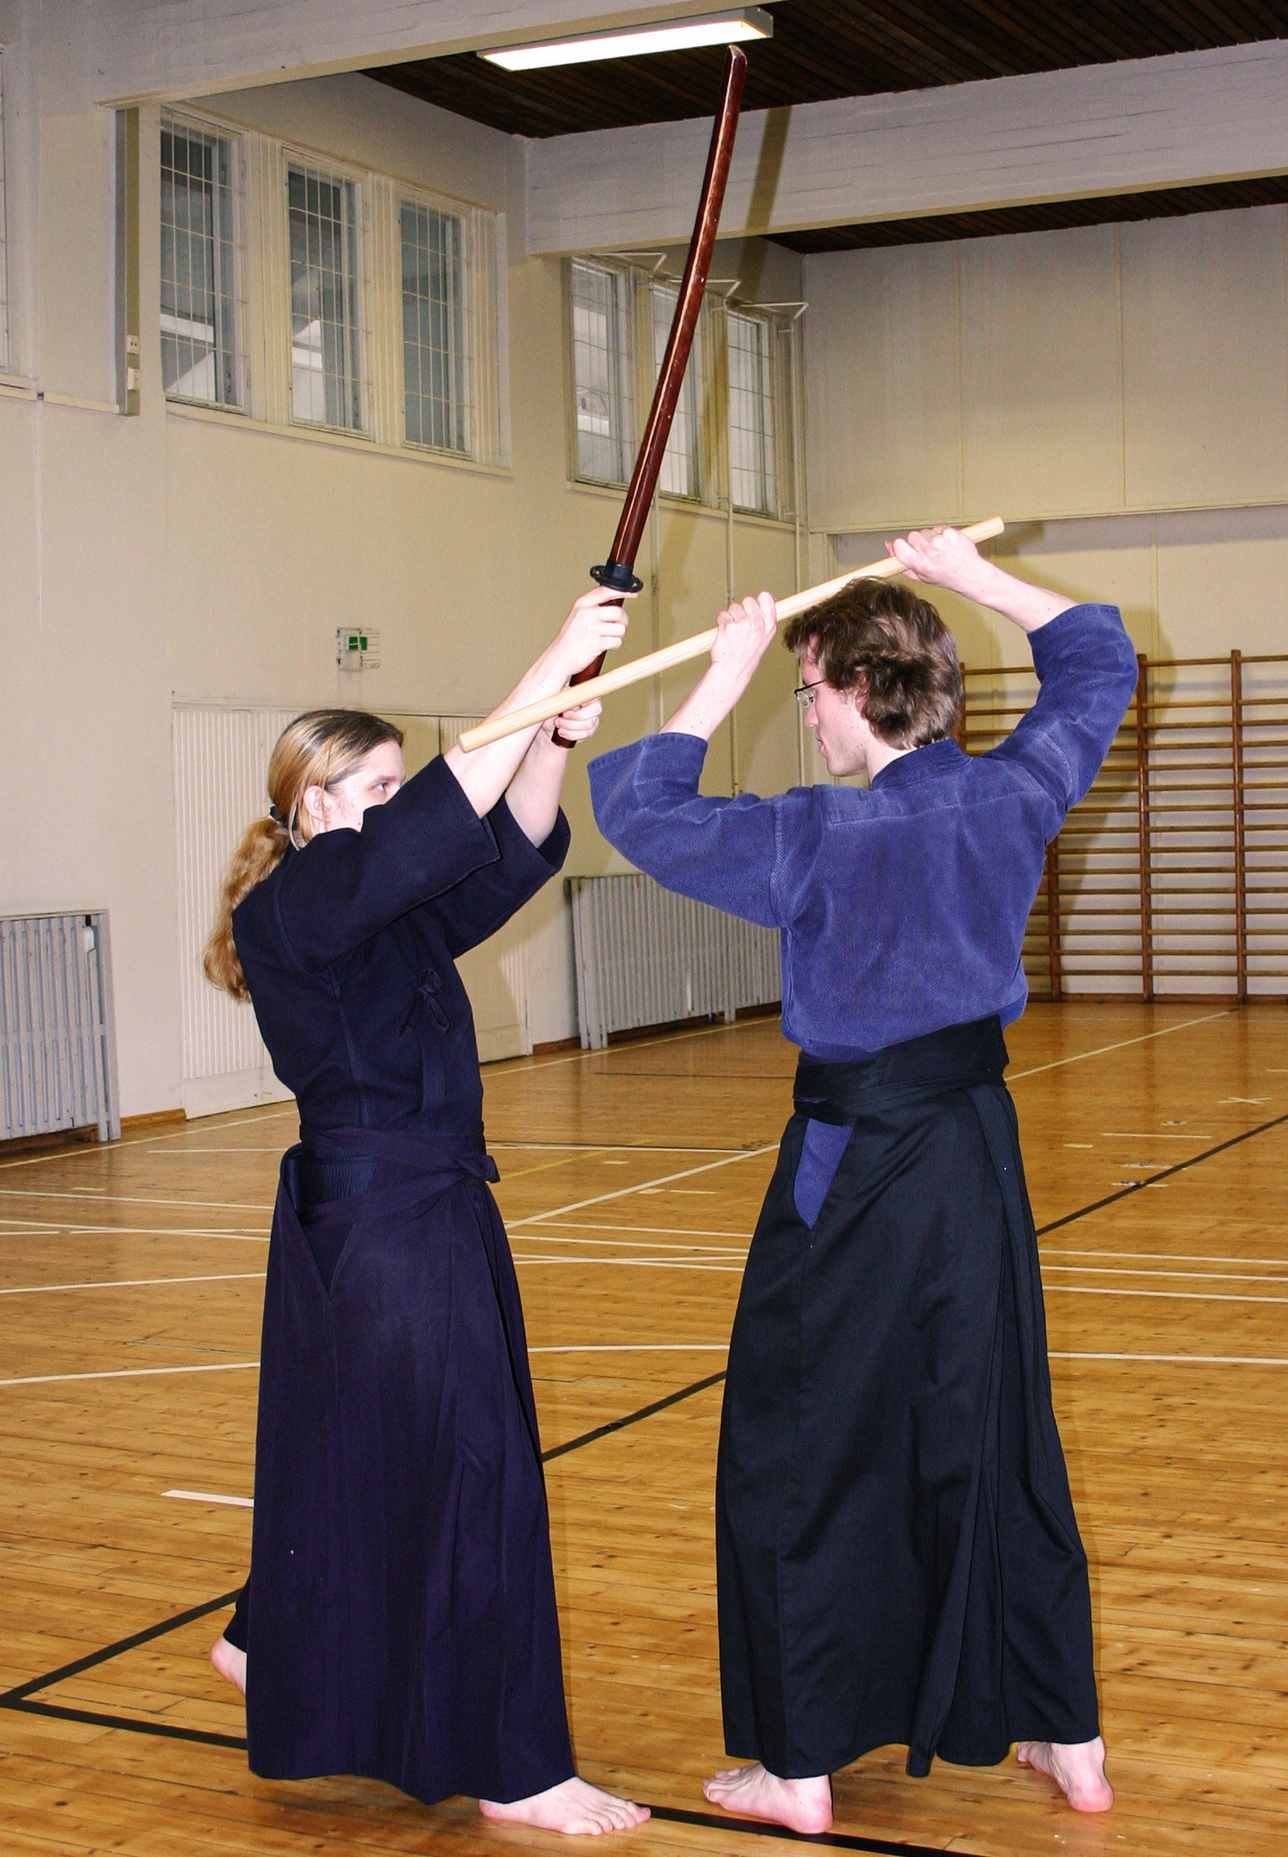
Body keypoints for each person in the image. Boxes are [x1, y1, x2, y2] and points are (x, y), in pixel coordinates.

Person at [588, 526, 1138, 1835]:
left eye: (806, 689)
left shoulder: (818, 837)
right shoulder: (1010, 796)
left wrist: (716, 676)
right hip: (976, 1160)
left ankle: (800, 1765)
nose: (805, 715)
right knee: (993, 1430)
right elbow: (1098, 659)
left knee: (794, 1447)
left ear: (850, 685)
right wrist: (974, 578)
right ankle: (1071, 1736)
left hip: (856, 1168)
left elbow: (640, 812)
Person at [202, 587, 648, 1838]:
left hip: (411, 1212)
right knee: (475, 1471)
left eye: (405, 781)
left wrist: (553, 744)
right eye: (378, 788)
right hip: (385, 1221)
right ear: (311, 810)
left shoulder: (378, 915)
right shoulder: (293, 908)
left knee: (366, 1460)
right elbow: (438, 825)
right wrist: (551, 659)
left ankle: (268, 1639)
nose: (403, 807)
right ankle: (517, 1768)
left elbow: (496, 860)